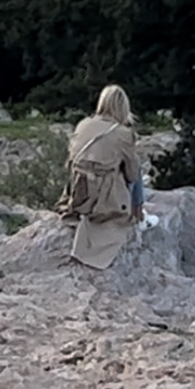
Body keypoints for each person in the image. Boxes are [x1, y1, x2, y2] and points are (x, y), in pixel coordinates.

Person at [58, 83, 149, 272]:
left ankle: (137, 212)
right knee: (135, 164)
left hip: (78, 193)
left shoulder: (83, 124)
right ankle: (138, 212)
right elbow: (132, 175)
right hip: (103, 200)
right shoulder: (123, 133)